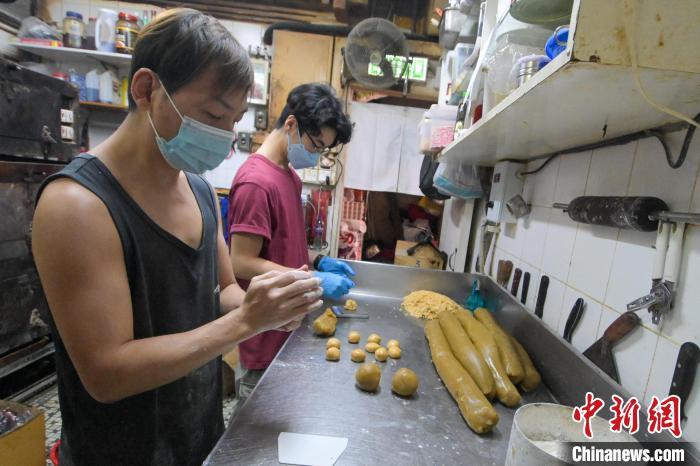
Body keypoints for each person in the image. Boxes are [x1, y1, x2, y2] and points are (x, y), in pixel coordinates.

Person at [31, 9, 323, 466]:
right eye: (213, 115)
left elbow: (224, 289)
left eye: (234, 120)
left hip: (198, 442)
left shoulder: (200, 190)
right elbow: (106, 372)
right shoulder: (78, 205)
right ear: (147, 89)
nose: (225, 136)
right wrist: (243, 324)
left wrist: (266, 308)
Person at [227, 84, 354, 401]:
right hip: (264, 343)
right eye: (316, 144)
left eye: (323, 149)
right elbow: (240, 261)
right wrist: (311, 279)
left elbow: (283, 243)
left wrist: (317, 261)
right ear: (291, 124)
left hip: (287, 332)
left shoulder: (288, 175)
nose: (315, 155)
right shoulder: (256, 181)